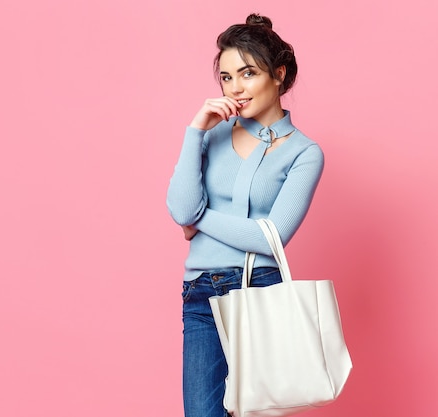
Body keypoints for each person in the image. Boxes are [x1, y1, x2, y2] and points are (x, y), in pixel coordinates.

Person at [166, 13, 324, 417]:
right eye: (226, 77)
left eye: (248, 73)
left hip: (260, 289)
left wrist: (200, 219)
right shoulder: (212, 135)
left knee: (258, 411)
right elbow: (178, 208)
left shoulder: (304, 153)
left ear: (279, 74)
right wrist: (195, 130)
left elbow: (270, 236)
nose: (235, 87)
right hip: (200, 293)